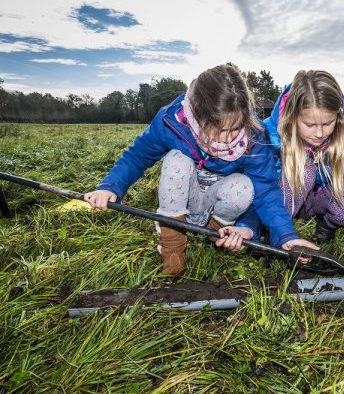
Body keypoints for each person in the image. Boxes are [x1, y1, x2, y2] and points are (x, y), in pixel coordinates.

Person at [84, 64, 316, 276]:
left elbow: (265, 190)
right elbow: (137, 156)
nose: (226, 139)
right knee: (176, 160)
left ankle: (214, 234)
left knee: (245, 186)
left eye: (234, 129)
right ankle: (173, 245)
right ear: (197, 116)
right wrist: (109, 186)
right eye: (217, 129)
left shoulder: (253, 137)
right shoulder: (171, 121)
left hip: (218, 201)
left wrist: (287, 235)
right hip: (185, 194)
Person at [221, 70, 344, 279]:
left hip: (321, 196)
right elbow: (262, 190)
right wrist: (247, 228)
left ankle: (326, 225)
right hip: (282, 200)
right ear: (292, 116)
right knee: (303, 167)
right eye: (310, 125)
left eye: (328, 123)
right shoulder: (268, 134)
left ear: (338, 115)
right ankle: (274, 237)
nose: (320, 133)